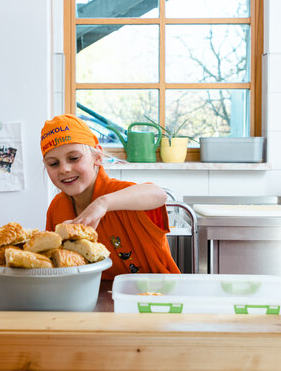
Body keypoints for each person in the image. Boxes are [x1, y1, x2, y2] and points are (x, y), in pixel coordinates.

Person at [40, 114, 181, 278]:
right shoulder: (57, 208)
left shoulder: (120, 194)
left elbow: (158, 194)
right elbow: (53, 264)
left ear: (97, 156)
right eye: (53, 163)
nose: (64, 169)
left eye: (73, 158)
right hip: (92, 296)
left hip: (154, 295)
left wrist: (103, 203)